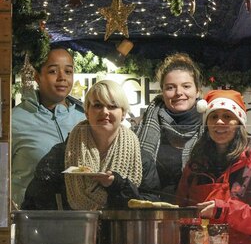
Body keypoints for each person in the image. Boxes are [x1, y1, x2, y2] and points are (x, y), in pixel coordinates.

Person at [21, 80, 160, 210]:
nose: (105, 112)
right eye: (98, 105)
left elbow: (150, 204)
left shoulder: (141, 158)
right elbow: (35, 202)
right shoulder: (62, 153)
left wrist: (117, 184)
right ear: (87, 111)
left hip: (123, 233)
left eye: (112, 106)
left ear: (123, 113)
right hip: (74, 232)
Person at [176, 90, 251, 244]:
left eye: (227, 116)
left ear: (239, 123)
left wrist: (225, 211)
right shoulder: (195, 166)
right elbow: (182, 211)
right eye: (213, 116)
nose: (219, 122)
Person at [11, 47, 85, 208]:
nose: (62, 78)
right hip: (28, 220)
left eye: (68, 71)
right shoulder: (14, 120)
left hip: (79, 220)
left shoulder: (84, 119)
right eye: (53, 71)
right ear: (37, 76)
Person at [135, 53, 204, 203]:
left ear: (197, 90)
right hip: (150, 212)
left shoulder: (211, 126)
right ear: (162, 92)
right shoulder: (144, 125)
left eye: (186, 86)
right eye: (170, 87)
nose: (179, 93)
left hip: (196, 212)